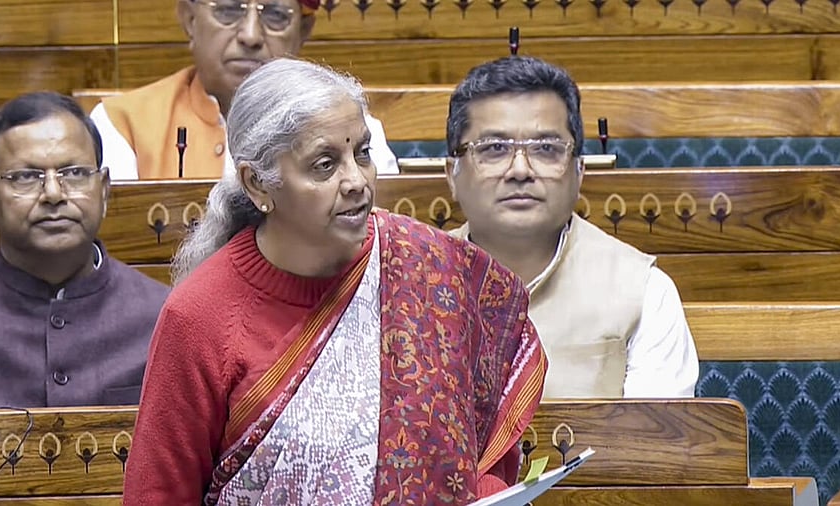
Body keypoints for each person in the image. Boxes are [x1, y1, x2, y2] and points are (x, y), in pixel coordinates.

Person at [123, 59, 546, 505]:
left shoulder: (427, 267)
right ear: (257, 184)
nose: (357, 182)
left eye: (362, 154)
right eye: (324, 165)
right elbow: (159, 492)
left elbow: (478, 453)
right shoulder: (200, 315)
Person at [445, 56, 698, 399]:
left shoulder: (643, 291)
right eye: (494, 149)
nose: (520, 170)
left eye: (546, 149)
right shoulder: (411, 287)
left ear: (579, 172)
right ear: (452, 174)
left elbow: (655, 447)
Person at [0, 92, 169, 409]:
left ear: (104, 191)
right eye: (26, 177)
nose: (53, 193)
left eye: (74, 173)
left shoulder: (165, 318)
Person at [90, 0, 399, 180]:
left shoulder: (353, 130)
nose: (250, 35)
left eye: (275, 15)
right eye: (228, 9)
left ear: (303, 32)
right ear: (189, 19)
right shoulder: (122, 123)